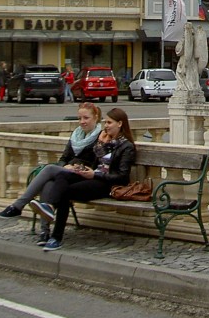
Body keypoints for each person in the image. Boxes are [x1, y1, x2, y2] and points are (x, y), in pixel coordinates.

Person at [39, 107, 136, 251]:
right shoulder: (106, 141)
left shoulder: (126, 146)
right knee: (62, 174)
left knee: (66, 192)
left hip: (105, 184)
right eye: (105, 122)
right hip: (92, 176)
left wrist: (95, 175)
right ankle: (50, 207)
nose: (106, 126)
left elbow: (122, 177)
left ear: (120, 124)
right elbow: (95, 163)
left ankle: (56, 237)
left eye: (109, 122)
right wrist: (82, 167)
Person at [0, 102, 103, 230]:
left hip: (83, 176)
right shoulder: (76, 135)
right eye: (79, 118)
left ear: (95, 117)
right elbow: (63, 158)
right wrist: (65, 166)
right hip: (67, 173)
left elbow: (97, 163)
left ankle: (18, 205)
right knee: (48, 184)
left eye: (86, 118)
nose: (82, 122)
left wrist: (74, 166)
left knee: (49, 169)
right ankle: (44, 231)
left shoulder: (101, 136)